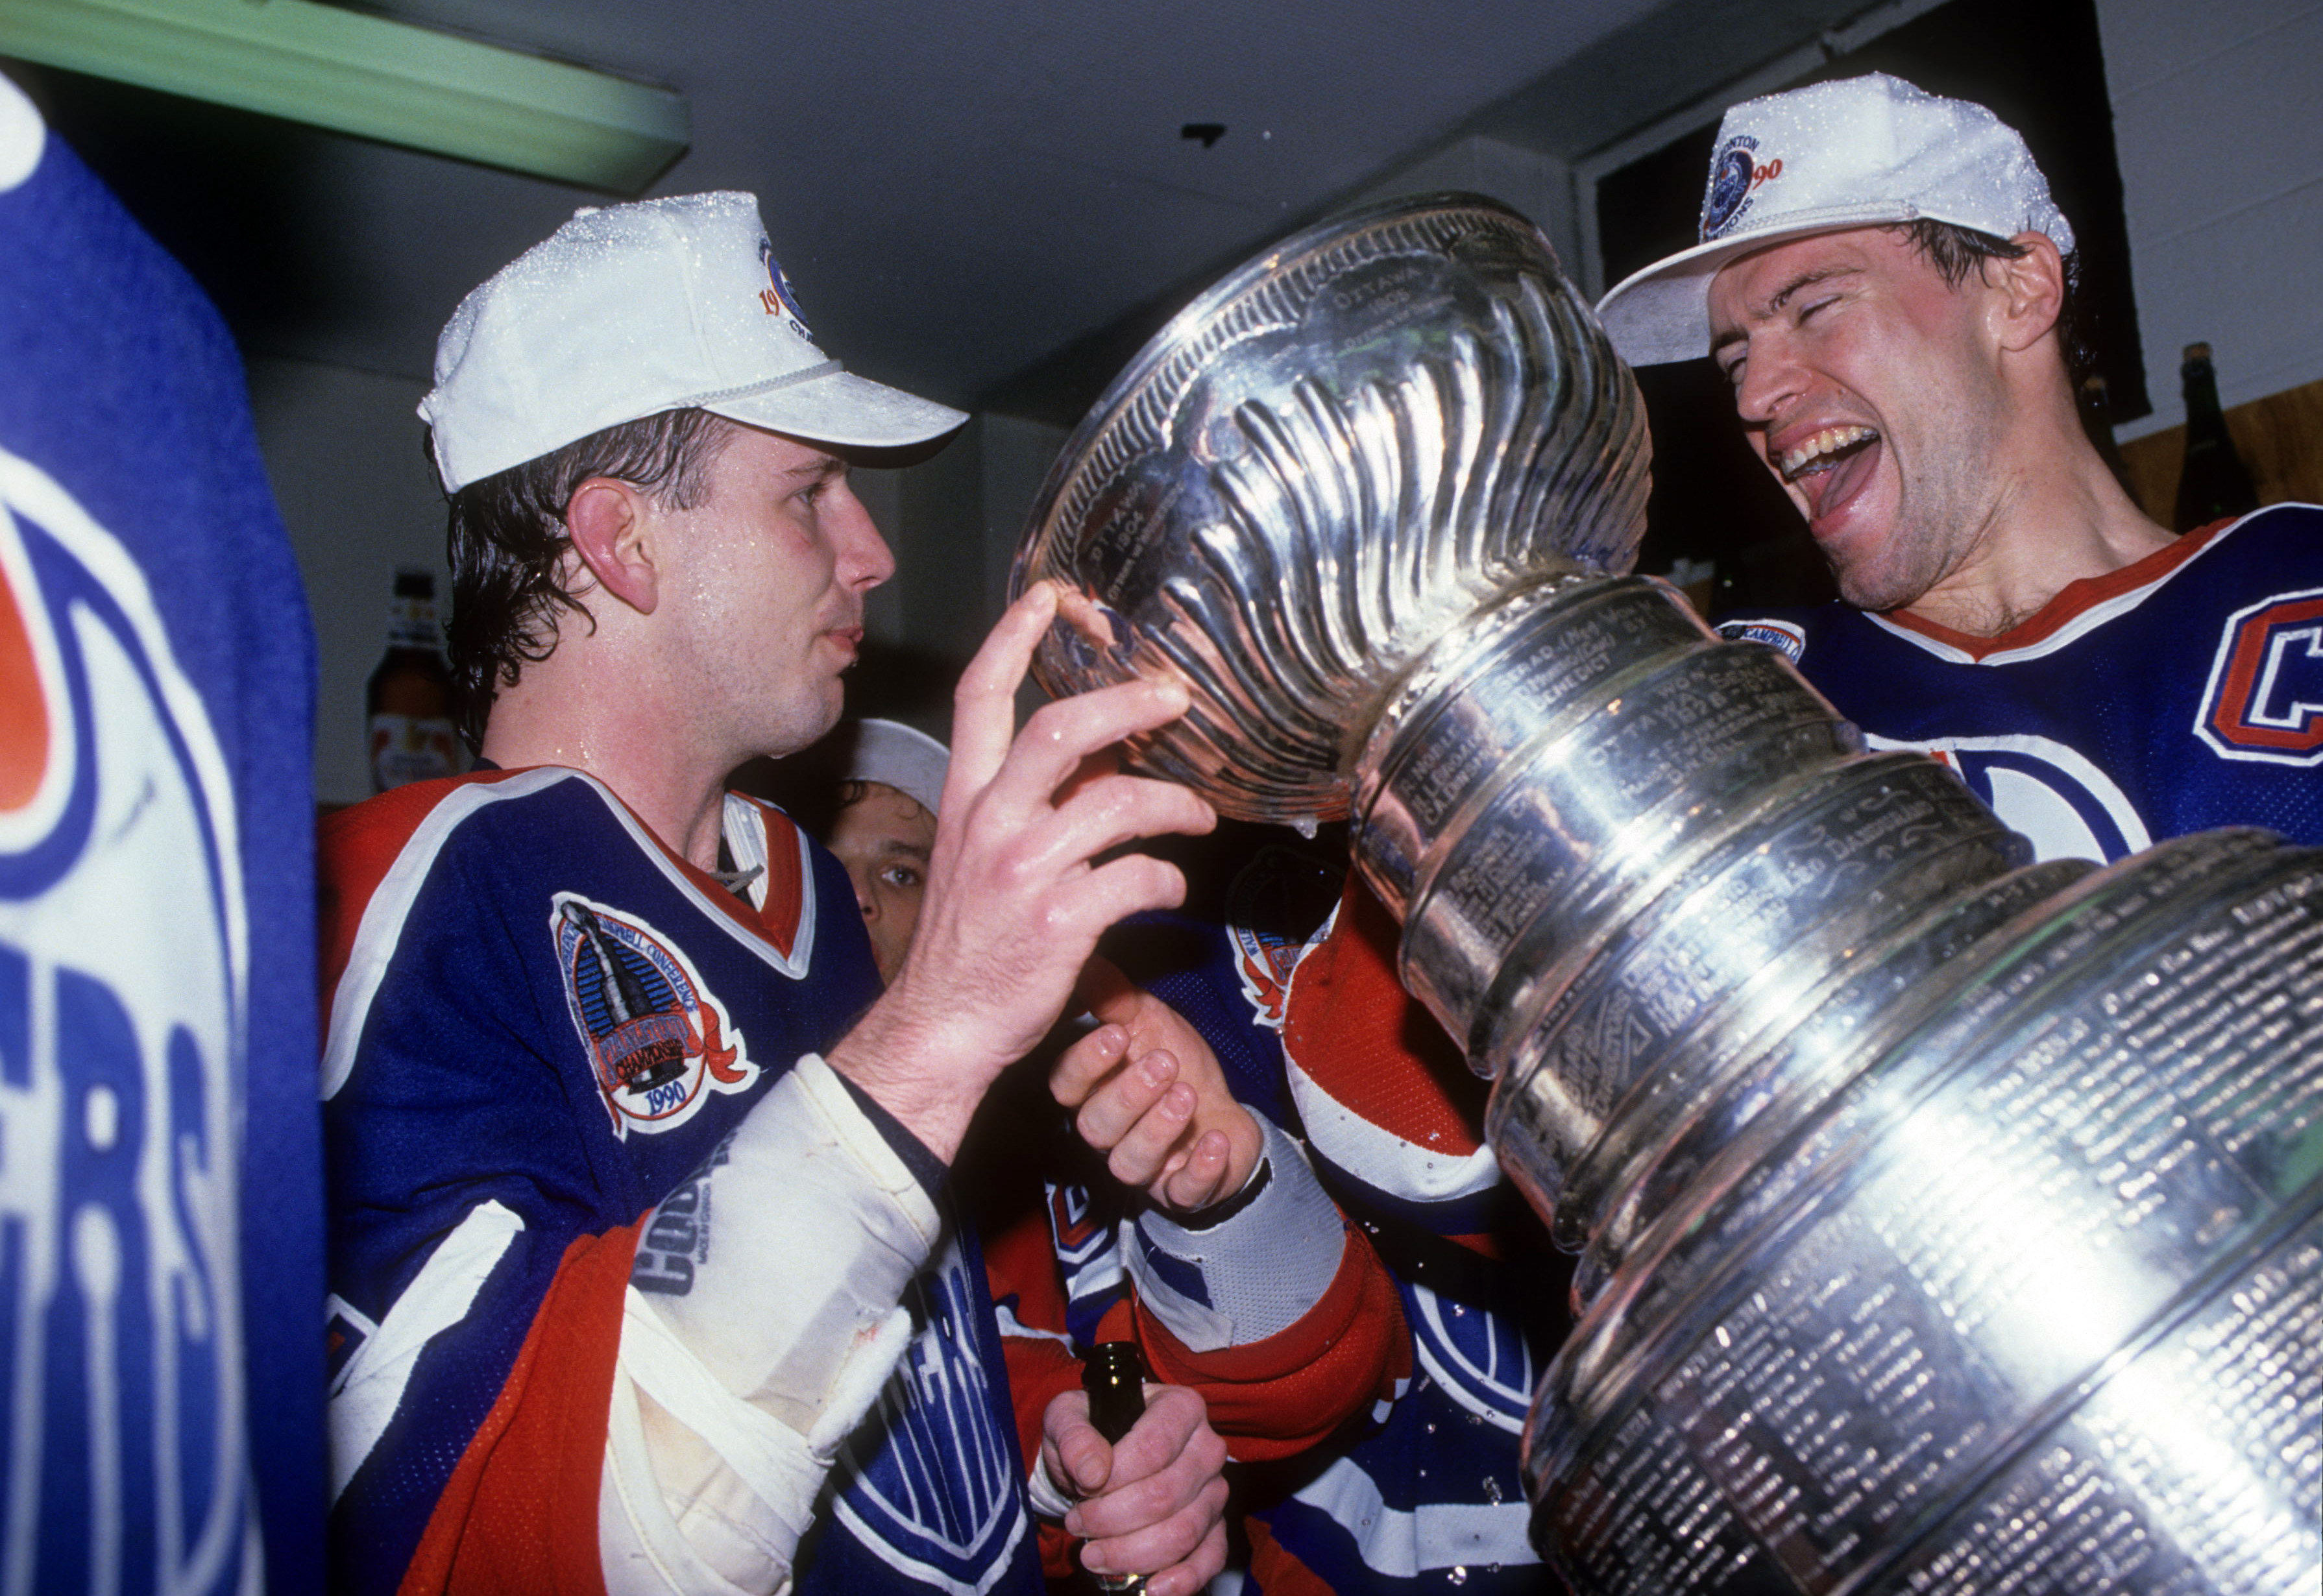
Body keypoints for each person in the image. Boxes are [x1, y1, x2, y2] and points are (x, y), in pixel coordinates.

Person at [317, 192, 1236, 1596]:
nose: (869, 551)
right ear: (623, 542)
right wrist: (939, 1029)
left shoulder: (802, 883)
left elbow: (836, 1425)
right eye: (807, 492)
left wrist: (1048, 1494)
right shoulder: (400, 890)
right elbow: (493, 1539)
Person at [1594, 71, 2323, 862]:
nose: (1757, 396)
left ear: (2018, 290)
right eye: (1734, 361)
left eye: (1815, 309)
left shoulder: (2296, 588)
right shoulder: (1743, 700)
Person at [770, 721, 1417, 1582]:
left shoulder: (1081, 1113)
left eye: (902, 872)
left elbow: (1306, 1389)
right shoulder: (708, 1144)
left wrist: (1223, 1198)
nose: (855, 899)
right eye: (820, 867)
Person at [0, 78, 326, 1595]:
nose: (872, 555)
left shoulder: (171, 365)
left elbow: (1099, 1323)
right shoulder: (459, 907)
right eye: (808, 496)